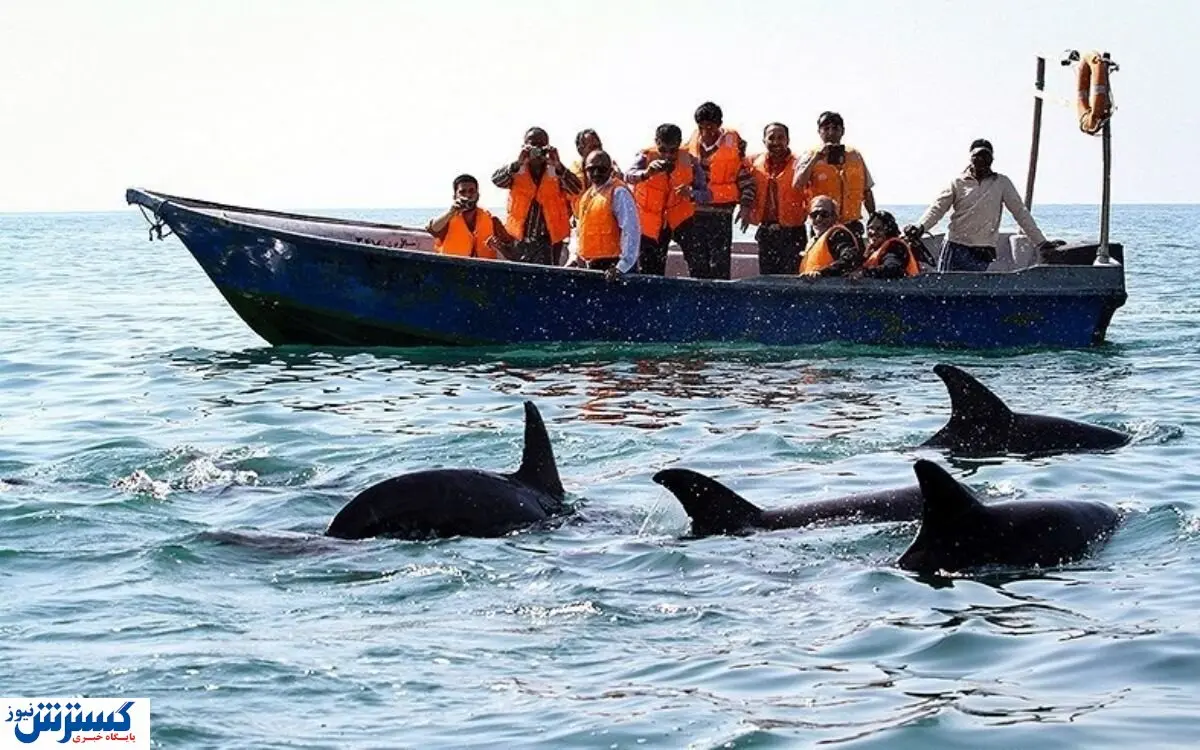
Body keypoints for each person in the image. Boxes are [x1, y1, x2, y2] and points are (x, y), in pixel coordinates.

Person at [906, 139, 1058, 272]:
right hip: (955, 246)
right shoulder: (957, 183)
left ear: (992, 159)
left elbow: (1020, 213)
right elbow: (937, 209)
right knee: (946, 289)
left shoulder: (1001, 183)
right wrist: (920, 227)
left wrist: (1041, 242)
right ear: (970, 158)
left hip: (983, 250)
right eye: (977, 156)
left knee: (973, 291)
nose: (981, 160)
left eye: (985, 156)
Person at [625, 123, 711, 276]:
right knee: (651, 271)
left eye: (673, 151)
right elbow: (628, 177)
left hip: (681, 218)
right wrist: (647, 173)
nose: (668, 156)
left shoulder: (690, 161)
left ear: (679, 144)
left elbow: (707, 195)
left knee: (699, 262)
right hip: (651, 222)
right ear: (656, 142)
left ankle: (700, 293)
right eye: (663, 150)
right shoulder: (645, 157)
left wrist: (691, 193)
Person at [684, 102, 755, 280]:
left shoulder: (733, 151)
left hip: (721, 215)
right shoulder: (689, 149)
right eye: (702, 128)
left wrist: (745, 207)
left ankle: (719, 303)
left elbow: (747, 182)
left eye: (711, 127)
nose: (706, 132)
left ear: (719, 125)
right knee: (697, 263)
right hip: (694, 215)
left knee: (719, 264)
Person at [492, 127, 583, 265]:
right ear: (524, 146)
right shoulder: (516, 171)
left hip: (549, 243)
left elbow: (576, 189)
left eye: (541, 145)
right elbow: (496, 180)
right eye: (532, 145)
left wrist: (559, 166)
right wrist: (517, 163)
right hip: (520, 242)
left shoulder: (556, 172)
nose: (537, 150)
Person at [791, 111, 876, 239]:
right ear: (819, 131)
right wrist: (815, 159)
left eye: (835, 128)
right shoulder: (809, 155)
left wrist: (873, 216)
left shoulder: (855, 156)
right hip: (822, 224)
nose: (831, 133)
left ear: (842, 131)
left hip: (851, 224)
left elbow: (867, 190)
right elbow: (798, 184)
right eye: (826, 129)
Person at [742, 122, 809, 275]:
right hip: (766, 233)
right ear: (764, 141)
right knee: (767, 281)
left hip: (794, 233)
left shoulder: (801, 164)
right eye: (771, 138)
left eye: (781, 138)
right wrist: (744, 208)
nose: (776, 142)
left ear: (788, 140)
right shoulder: (752, 163)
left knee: (794, 281)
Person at [566, 150, 640, 282]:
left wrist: (621, 268)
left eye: (601, 169)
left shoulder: (619, 193)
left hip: (615, 269)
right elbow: (578, 231)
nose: (596, 173)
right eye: (591, 169)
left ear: (610, 170)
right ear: (585, 170)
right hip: (593, 268)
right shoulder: (586, 197)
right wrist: (574, 259)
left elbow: (631, 230)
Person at [426, 174, 517, 260]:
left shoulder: (492, 221)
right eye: (462, 192)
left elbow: (514, 254)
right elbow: (432, 229)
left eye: (471, 191)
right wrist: (451, 212)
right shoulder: (447, 220)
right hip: (452, 270)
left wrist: (500, 246)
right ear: (455, 196)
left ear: (478, 195)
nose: (468, 195)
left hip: (484, 273)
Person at [799, 195, 862, 276]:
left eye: (824, 214)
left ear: (834, 217)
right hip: (809, 287)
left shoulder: (837, 235)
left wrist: (823, 273)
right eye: (814, 215)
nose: (818, 219)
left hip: (831, 287)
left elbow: (851, 258)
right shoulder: (812, 241)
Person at [859, 210, 920, 278]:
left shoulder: (894, 247)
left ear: (889, 231)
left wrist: (863, 273)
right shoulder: (874, 249)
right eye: (870, 228)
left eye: (879, 229)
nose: (873, 232)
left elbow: (893, 269)